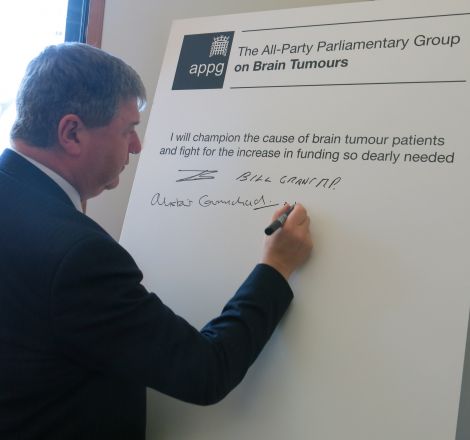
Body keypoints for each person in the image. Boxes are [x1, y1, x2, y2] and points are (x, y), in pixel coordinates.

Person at [0, 43, 312, 439]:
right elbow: (206, 372)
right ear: (72, 132)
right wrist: (276, 266)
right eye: (127, 129)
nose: (137, 146)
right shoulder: (79, 256)